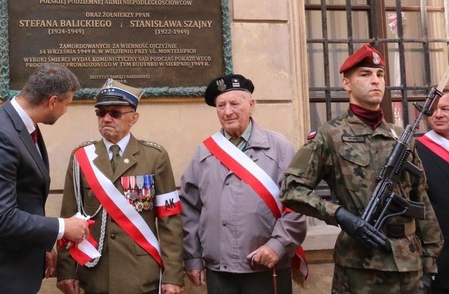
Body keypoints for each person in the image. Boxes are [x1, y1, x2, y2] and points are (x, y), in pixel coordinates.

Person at [280, 44, 443, 293]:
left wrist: (429, 263)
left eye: (379, 75)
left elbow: (421, 198)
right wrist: (341, 216)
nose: (375, 81)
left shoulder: (401, 137)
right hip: (360, 267)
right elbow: (292, 189)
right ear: (347, 84)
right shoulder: (330, 135)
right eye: (365, 74)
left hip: (409, 264)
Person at [0, 62, 89, 294]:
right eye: (67, 104)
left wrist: (43, 243)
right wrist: (62, 227)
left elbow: (26, 196)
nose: (66, 111)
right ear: (53, 101)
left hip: (13, 268)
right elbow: (1, 218)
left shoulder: (22, 126)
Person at [180, 74, 307, 294]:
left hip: (267, 267)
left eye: (234, 103)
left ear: (251, 105)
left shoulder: (279, 148)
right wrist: (192, 258)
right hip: (219, 271)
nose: (227, 111)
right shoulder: (204, 152)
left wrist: (277, 246)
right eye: (221, 105)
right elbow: (189, 209)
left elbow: (298, 204)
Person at [56, 78, 184, 294]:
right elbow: (70, 216)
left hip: (140, 274)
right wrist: (66, 270)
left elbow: (169, 222)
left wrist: (173, 275)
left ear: (133, 118)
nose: (106, 118)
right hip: (96, 272)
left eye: (115, 113)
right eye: (100, 112)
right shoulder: (81, 157)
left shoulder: (154, 157)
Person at [416, 87, 449, 293]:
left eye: (445, 109)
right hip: (437, 253)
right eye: (433, 109)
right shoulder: (416, 150)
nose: (437, 114)